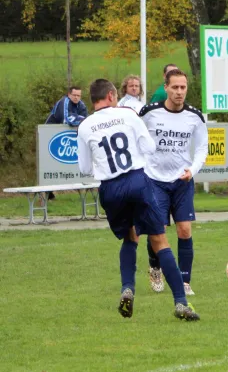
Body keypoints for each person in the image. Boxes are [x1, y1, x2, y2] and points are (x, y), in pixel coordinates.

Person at [76, 78, 199, 321]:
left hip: (110, 188)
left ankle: (127, 289)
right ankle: (181, 303)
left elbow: (83, 168)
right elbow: (150, 148)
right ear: (112, 95)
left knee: (130, 237)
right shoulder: (129, 114)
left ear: (93, 100)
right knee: (159, 241)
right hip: (136, 181)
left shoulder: (85, 126)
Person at [139, 69, 208, 297]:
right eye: (175, 87)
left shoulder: (195, 116)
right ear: (166, 87)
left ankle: (185, 281)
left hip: (182, 181)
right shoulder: (149, 113)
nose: (179, 92)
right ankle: (155, 268)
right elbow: (134, 139)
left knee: (185, 230)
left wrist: (193, 169)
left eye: (183, 87)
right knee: (157, 230)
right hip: (154, 181)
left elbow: (201, 149)